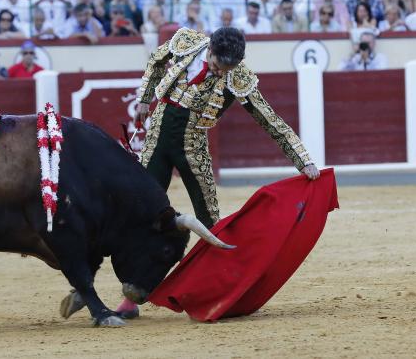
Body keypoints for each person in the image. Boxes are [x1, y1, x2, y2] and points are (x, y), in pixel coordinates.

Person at [125, 26, 319, 316]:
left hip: (192, 146)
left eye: (225, 70)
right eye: (216, 66)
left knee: (211, 223)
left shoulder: (237, 76)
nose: (218, 73)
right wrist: (144, 98)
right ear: (210, 49)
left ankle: (218, 294)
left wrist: (302, 159)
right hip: (157, 138)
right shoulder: (187, 41)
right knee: (139, 215)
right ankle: (132, 297)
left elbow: (269, 119)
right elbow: (156, 59)